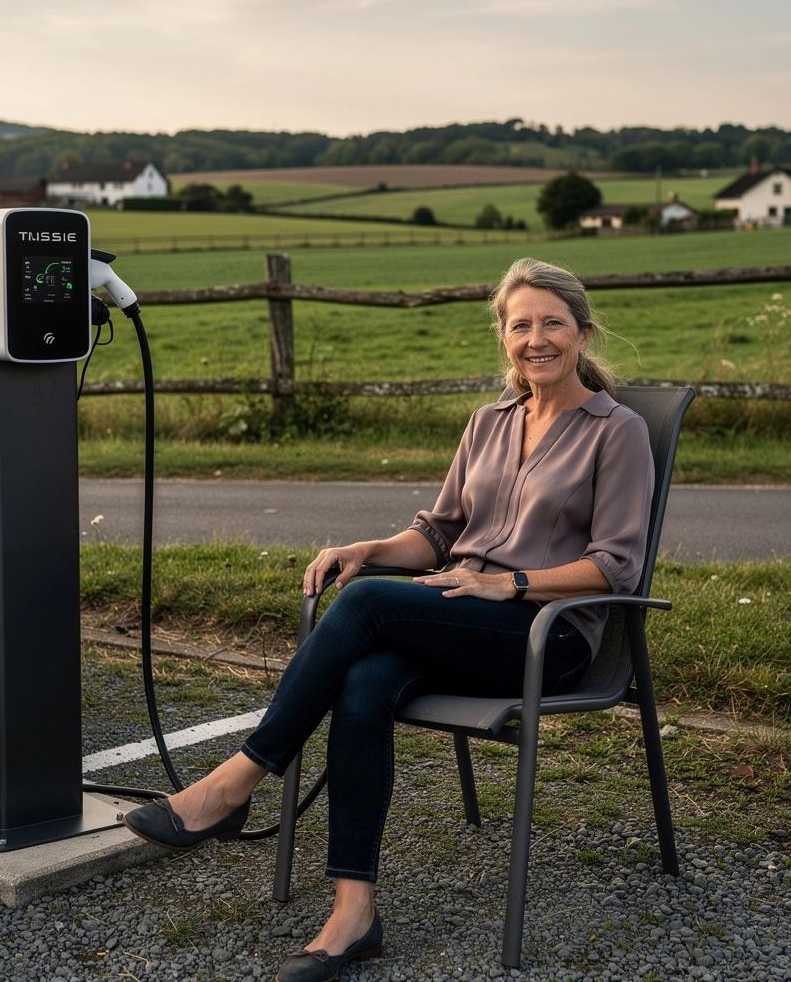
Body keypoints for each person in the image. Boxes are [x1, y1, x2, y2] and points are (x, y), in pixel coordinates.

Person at [123, 257, 654, 981]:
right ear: (504, 338)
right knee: (365, 679)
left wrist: (513, 583)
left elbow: (616, 565)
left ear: (583, 333)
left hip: (545, 634)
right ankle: (354, 915)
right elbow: (437, 534)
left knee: (369, 600)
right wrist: (369, 547)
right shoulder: (487, 423)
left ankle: (234, 784)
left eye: (552, 323)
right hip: (458, 615)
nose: (537, 339)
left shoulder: (615, 432)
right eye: (520, 324)